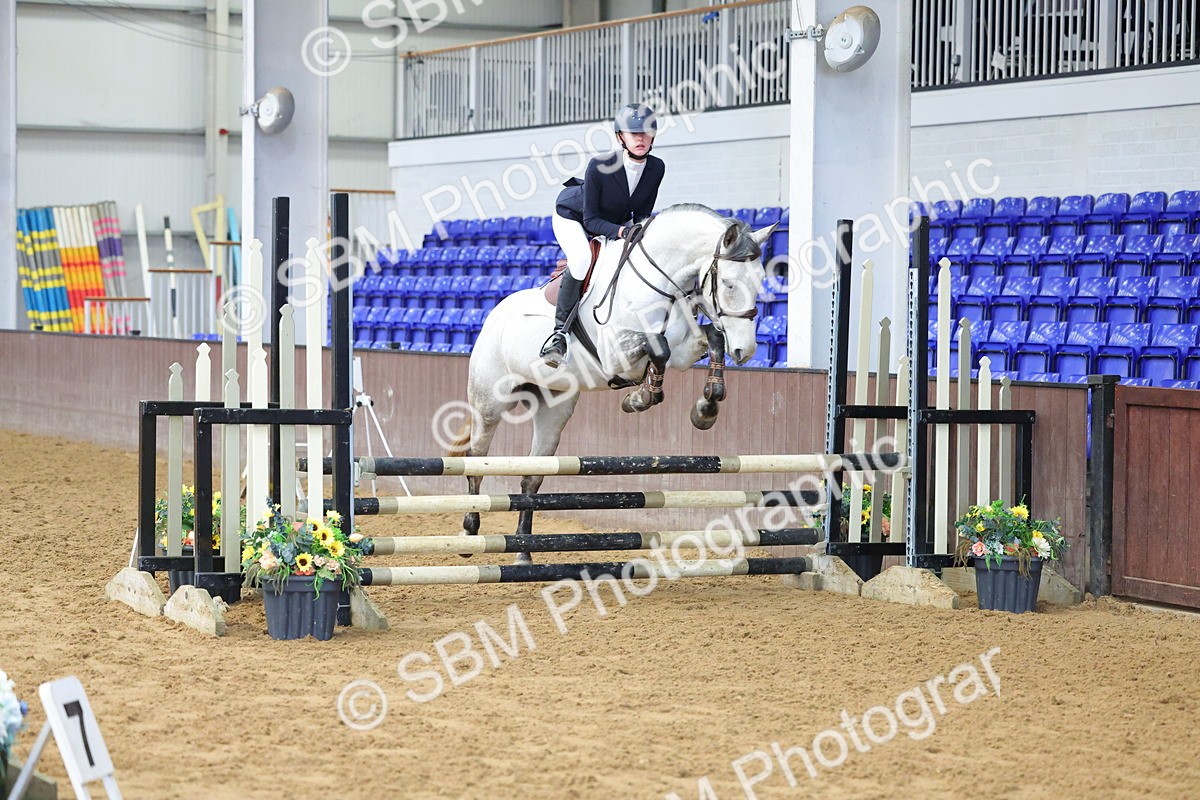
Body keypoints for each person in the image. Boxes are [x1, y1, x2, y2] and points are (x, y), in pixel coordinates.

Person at [540, 103, 666, 367]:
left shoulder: (656, 168)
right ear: (621, 137)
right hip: (573, 217)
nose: (640, 138)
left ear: (653, 136)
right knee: (582, 260)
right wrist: (621, 231)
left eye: (645, 133)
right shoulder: (600, 166)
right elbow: (591, 220)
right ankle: (559, 335)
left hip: (612, 222)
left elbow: (642, 212)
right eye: (633, 134)